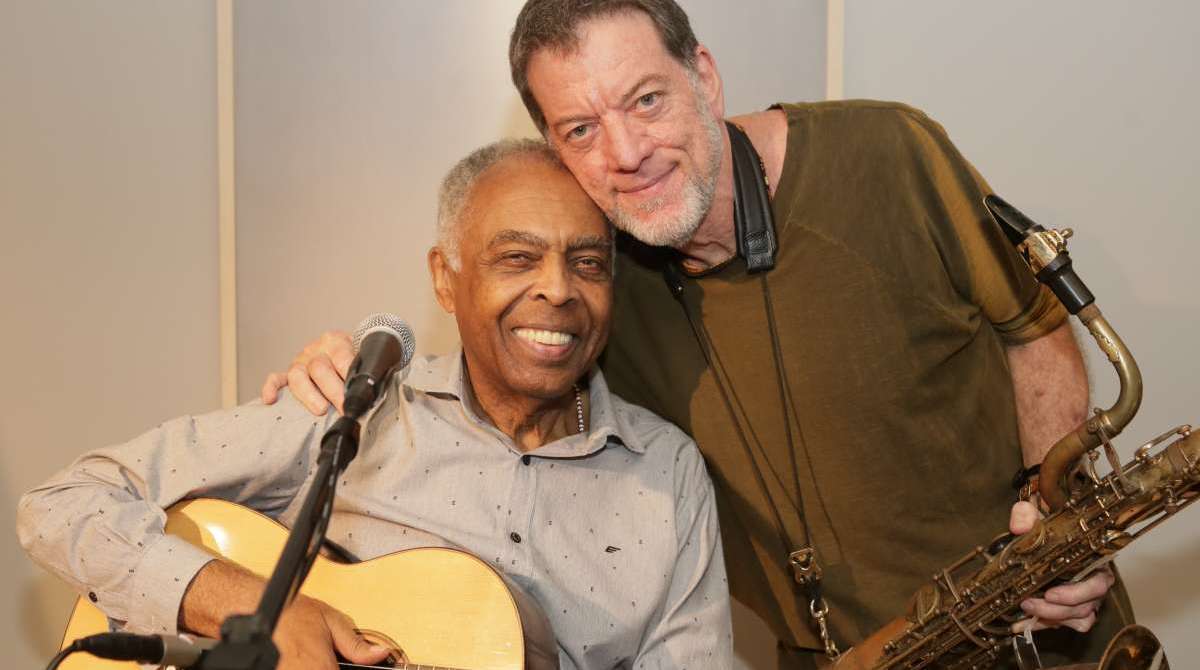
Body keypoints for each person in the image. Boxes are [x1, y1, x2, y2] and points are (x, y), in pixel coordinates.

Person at [263, 1, 1134, 668]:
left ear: (704, 78)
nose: (625, 152)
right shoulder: (594, 273)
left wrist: (1055, 524)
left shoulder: (889, 152)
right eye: (580, 129)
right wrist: (350, 362)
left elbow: (1034, 328)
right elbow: (494, 342)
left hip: (1034, 622)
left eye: (646, 100)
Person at [18, 139, 733, 670]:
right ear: (445, 280)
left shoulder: (667, 477)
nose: (558, 289)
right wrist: (251, 606)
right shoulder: (350, 410)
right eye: (516, 258)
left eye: (588, 263)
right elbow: (60, 505)